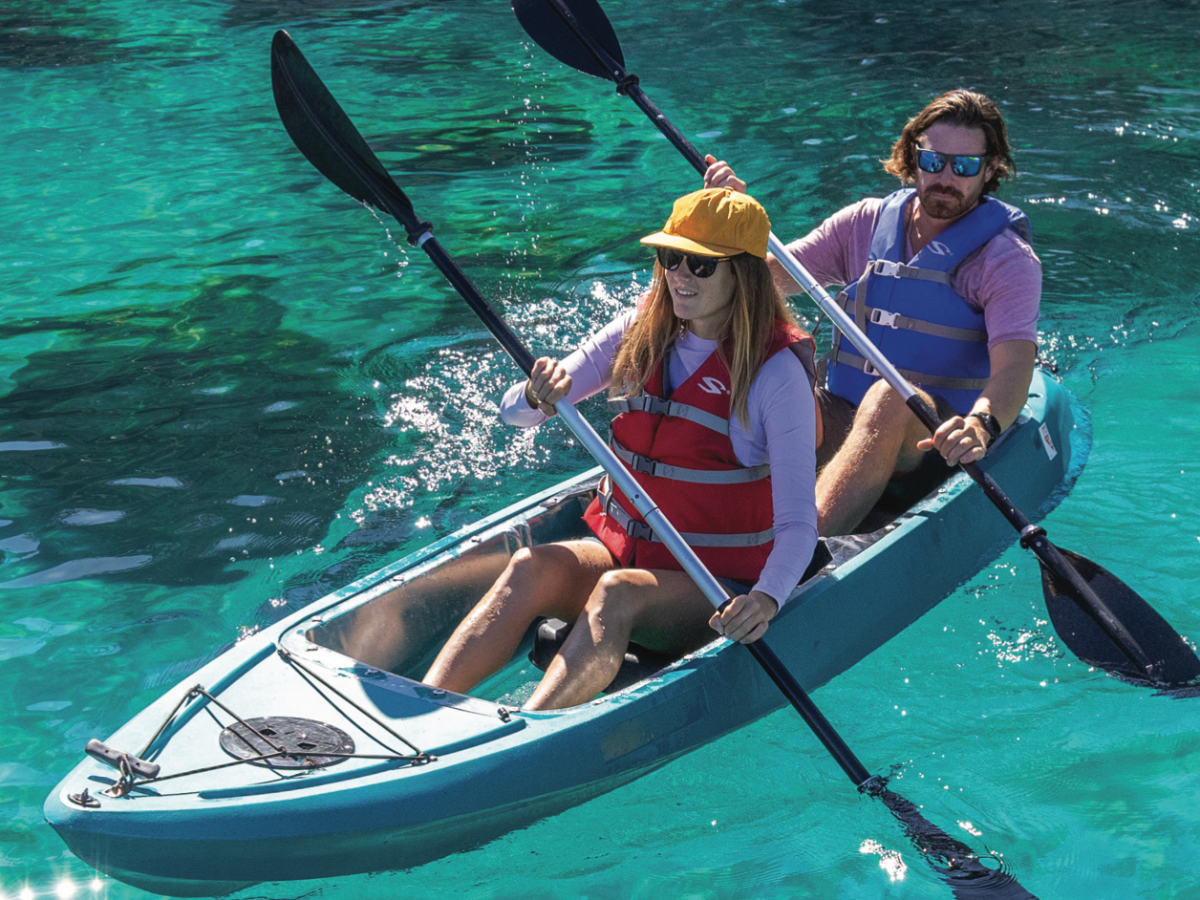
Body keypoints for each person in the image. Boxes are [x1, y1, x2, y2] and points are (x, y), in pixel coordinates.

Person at [423, 188, 820, 710]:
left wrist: (764, 601)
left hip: (717, 583)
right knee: (530, 566)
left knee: (617, 591)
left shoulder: (776, 372)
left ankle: (525, 736)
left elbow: (799, 526)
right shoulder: (642, 329)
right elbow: (514, 414)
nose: (679, 274)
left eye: (700, 264)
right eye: (669, 256)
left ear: (743, 272)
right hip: (627, 552)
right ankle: (425, 709)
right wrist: (535, 393)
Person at [704, 89, 1041, 537]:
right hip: (844, 414)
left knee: (890, 397)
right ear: (912, 157)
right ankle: (697, 514)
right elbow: (758, 283)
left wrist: (979, 425)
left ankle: (796, 553)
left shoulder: (1005, 259)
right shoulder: (864, 223)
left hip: (930, 442)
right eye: (933, 161)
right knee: (764, 372)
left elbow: (1016, 365)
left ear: (991, 169)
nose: (946, 177)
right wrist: (731, 221)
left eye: (964, 166)